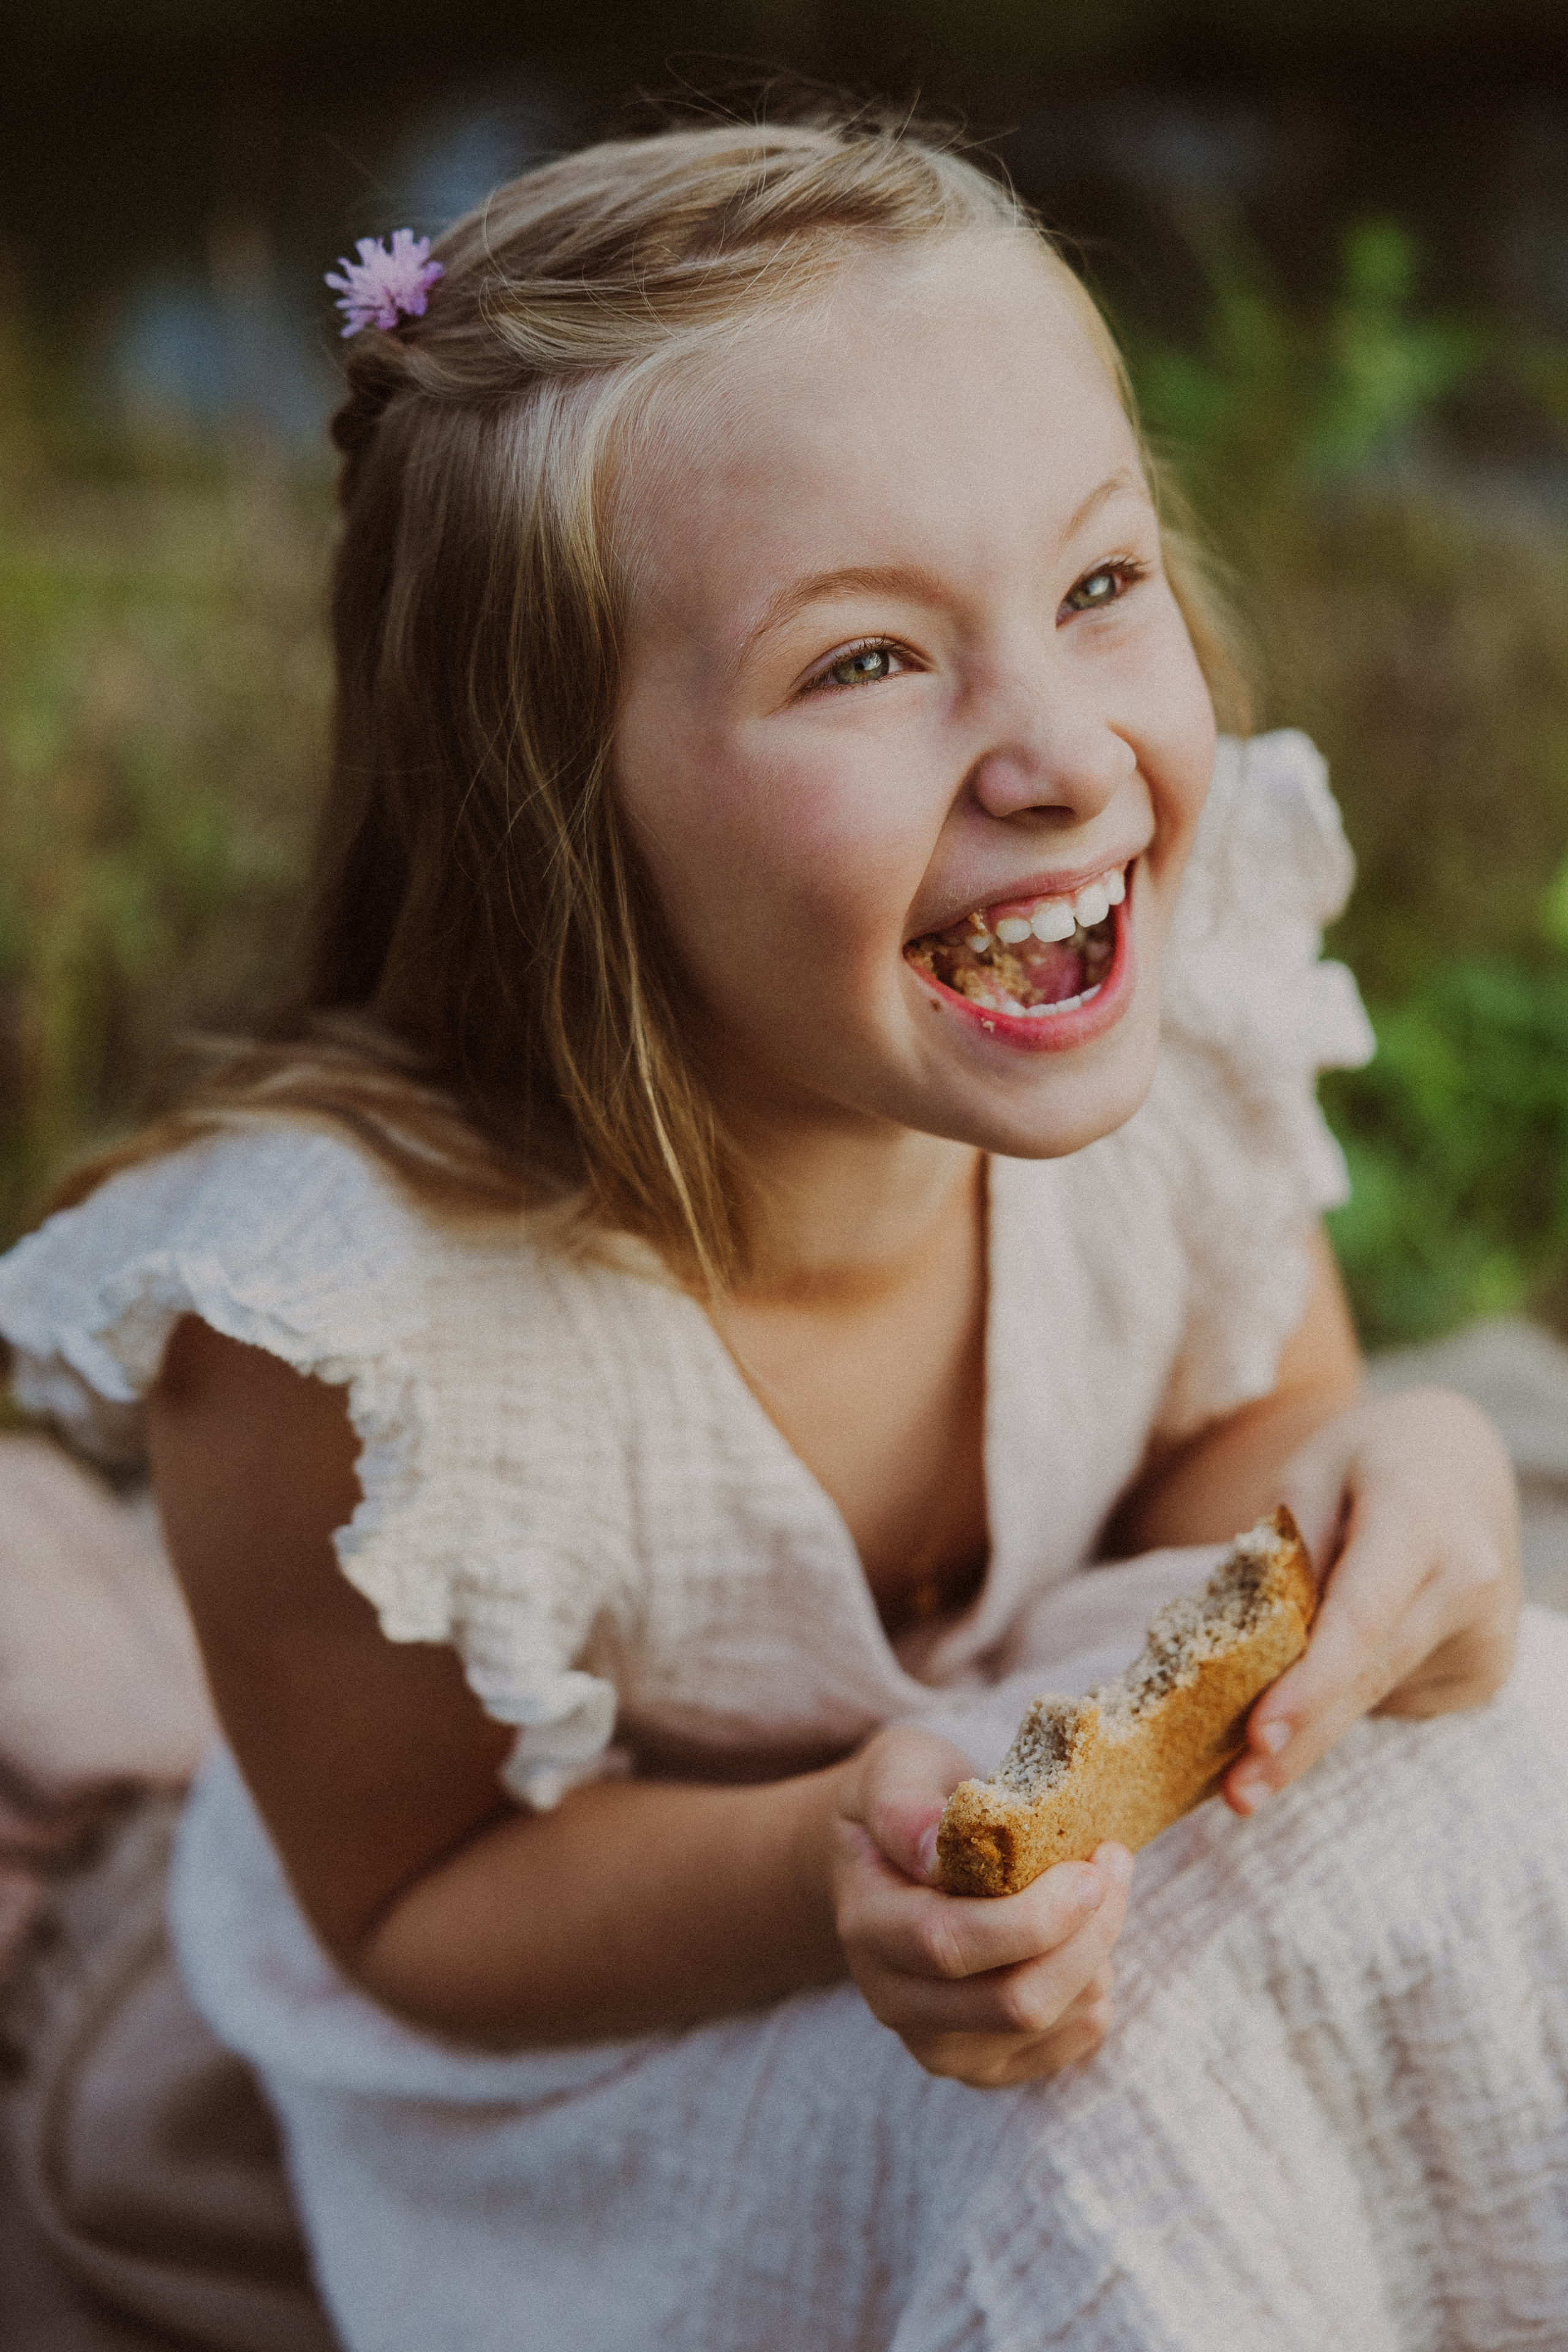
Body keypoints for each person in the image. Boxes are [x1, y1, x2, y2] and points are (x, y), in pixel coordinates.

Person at [1, 113, 1564, 2352]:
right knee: (1090, 2094)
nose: (1058, 754)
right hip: (596, 2049)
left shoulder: (1162, 1035)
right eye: (864, 664)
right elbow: (419, 1907)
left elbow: (1246, 1434)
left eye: (1101, 586)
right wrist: (831, 1860)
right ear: (554, 797)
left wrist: (1376, 1479)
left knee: (1488, 1760)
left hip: (997, 1891)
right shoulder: (349, 1343)